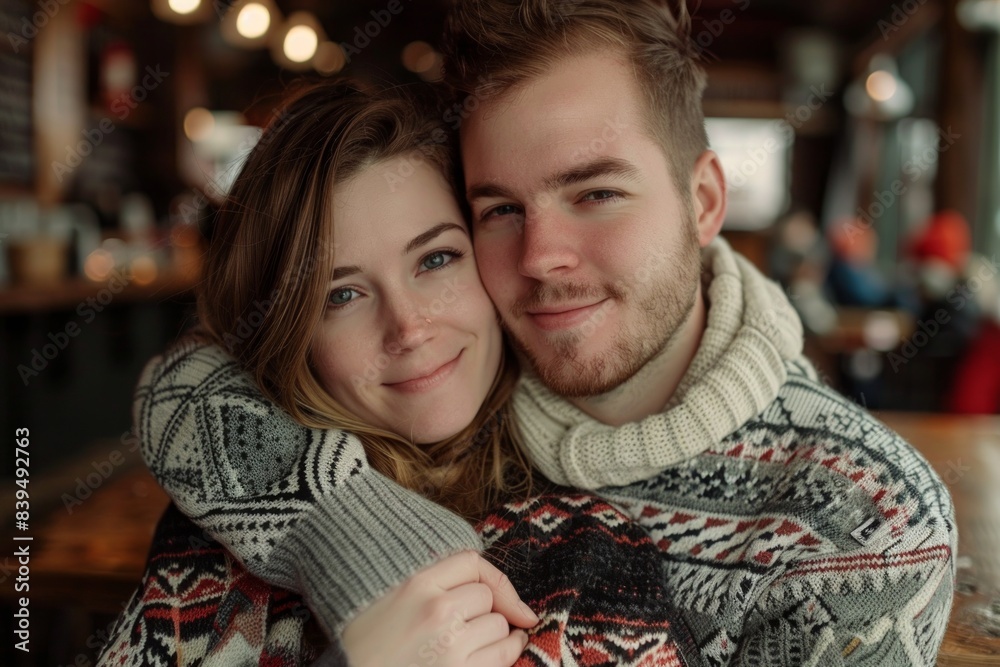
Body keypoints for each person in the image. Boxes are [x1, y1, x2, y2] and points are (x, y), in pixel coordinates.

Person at [100, 80, 693, 666]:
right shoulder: (218, 524)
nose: (409, 328)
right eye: (343, 294)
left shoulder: (588, 551)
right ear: (290, 335)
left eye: (436, 259)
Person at [440, 0, 957, 665]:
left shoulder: (862, 516)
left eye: (596, 193)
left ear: (705, 201)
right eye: (502, 209)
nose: (539, 257)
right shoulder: (429, 428)